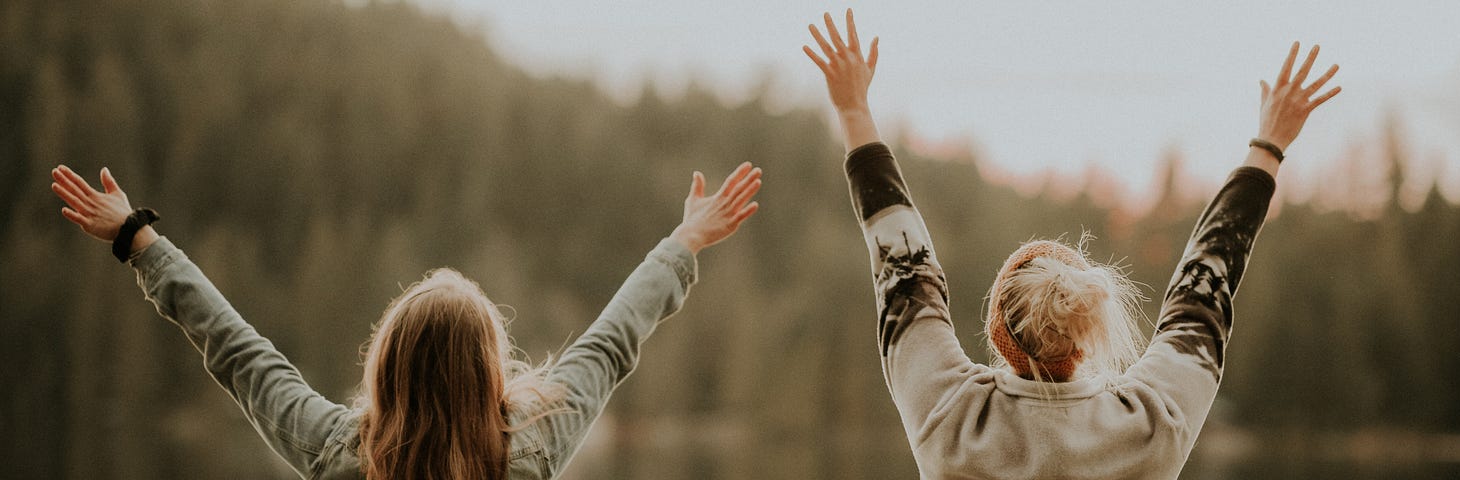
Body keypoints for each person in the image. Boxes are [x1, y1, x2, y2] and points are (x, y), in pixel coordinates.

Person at [804, 10, 1340, 479]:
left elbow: (903, 271)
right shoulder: (1148, 429)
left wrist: (854, 112)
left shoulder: (951, 418)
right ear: (1087, 334)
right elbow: (1204, 290)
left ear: (998, 329)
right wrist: (1269, 146)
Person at [50, 162, 762, 479]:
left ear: (384, 367)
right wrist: (684, 242)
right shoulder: (528, 455)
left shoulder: (339, 453)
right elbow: (610, 343)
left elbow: (238, 351)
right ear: (489, 374)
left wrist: (139, 242)